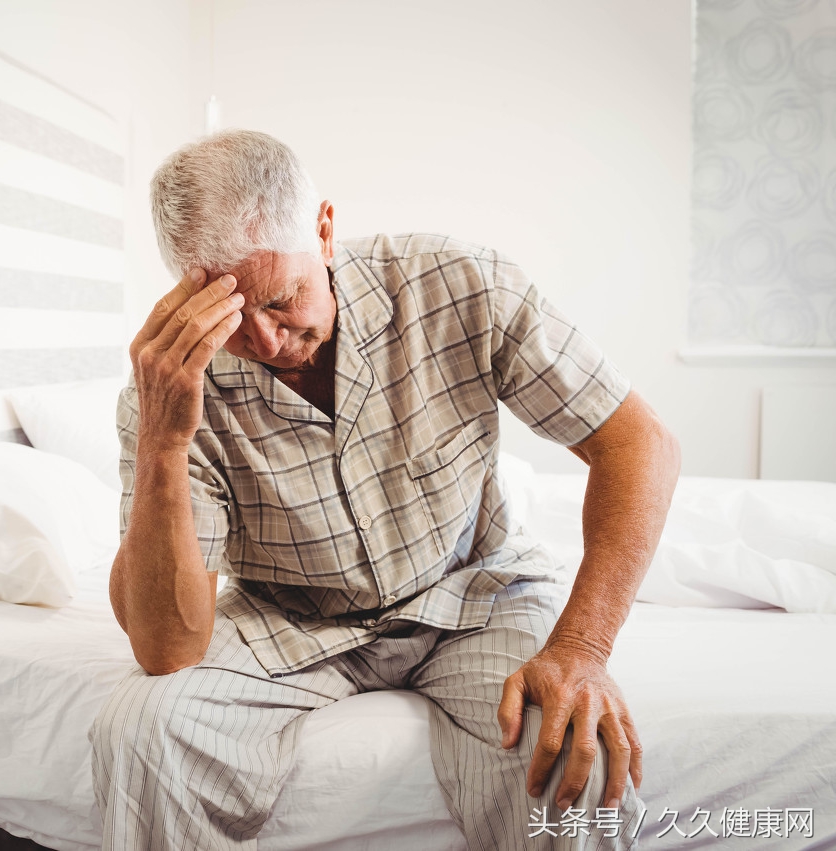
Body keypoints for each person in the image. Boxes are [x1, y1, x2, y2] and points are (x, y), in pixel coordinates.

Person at [90, 129, 680, 850]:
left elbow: (638, 442)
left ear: (325, 231)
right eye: (237, 319)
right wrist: (163, 441)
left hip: (472, 591)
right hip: (292, 615)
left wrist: (584, 646)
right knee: (141, 732)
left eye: (284, 298)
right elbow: (167, 647)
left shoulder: (461, 282)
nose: (270, 341)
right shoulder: (168, 385)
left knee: (570, 750)